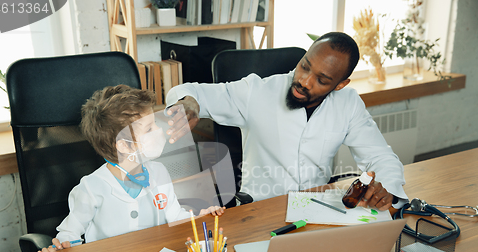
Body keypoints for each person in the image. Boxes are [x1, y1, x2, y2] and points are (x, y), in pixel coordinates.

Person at [164, 32, 408, 209]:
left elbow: (380, 157)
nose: (304, 81)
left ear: (340, 84)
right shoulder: (257, 92)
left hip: (317, 210)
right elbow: (192, 92)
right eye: (304, 67)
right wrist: (189, 103)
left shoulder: (348, 103)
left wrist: (386, 191)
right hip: (259, 209)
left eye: (322, 80)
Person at [38, 85, 225, 252]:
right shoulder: (91, 188)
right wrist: (62, 247)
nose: (159, 130)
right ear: (125, 146)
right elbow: (69, 234)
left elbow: (175, 216)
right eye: (150, 128)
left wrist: (203, 214)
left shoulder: (159, 172)